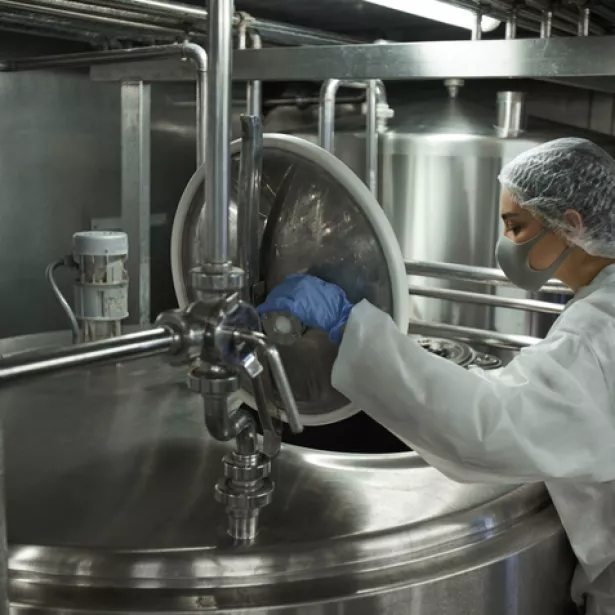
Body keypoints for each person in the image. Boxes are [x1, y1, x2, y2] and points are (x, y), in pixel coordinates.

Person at [257, 137, 615, 615]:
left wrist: (350, 326)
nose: (504, 244)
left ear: (570, 224)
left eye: (516, 227)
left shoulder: (595, 336)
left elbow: (488, 429)